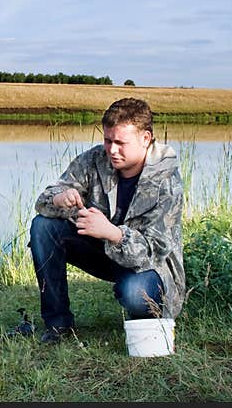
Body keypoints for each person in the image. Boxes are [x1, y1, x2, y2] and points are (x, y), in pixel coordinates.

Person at [29, 97, 185, 344]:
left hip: (150, 268)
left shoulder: (167, 180)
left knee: (134, 294)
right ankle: (58, 325)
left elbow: (156, 251)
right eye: (107, 140)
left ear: (146, 139)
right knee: (43, 226)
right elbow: (43, 200)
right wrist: (60, 198)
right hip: (103, 251)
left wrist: (113, 233)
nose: (112, 150)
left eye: (121, 143)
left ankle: (145, 311)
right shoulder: (93, 160)